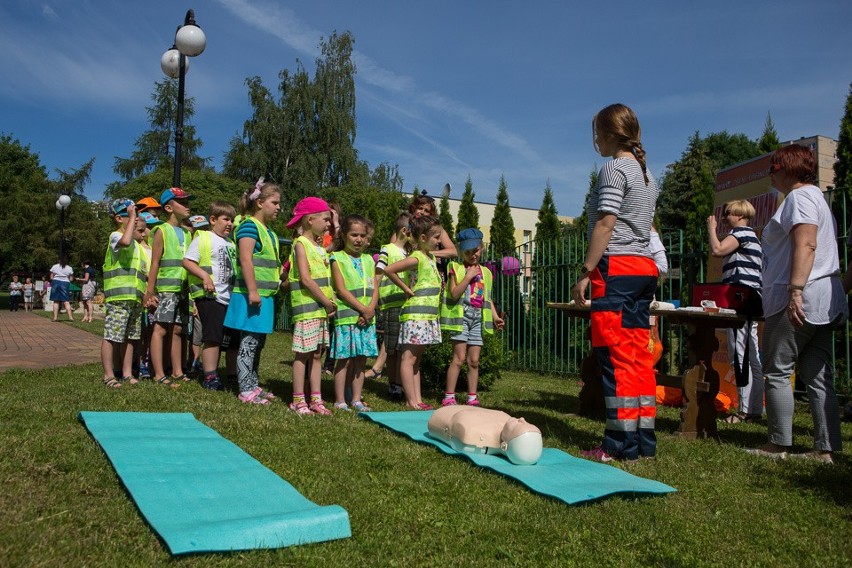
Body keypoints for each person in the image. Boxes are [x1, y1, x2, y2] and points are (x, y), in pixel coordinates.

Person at [570, 103, 660, 462]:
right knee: (639, 357)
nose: (595, 141)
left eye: (596, 133)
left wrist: (586, 272)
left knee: (614, 358)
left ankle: (617, 446)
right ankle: (643, 442)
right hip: (644, 269)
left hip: (617, 271)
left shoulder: (614, 168)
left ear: (608, 135)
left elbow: (606, 223)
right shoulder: (647, 174)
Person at [748, 144, 846, 463]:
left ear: (788, 169)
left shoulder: (799, 197)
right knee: (818, 374)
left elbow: (806, 243)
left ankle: (778, 443)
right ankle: (825, 448)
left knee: (778, 369)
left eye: (773, 169)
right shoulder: (817, 198)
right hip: (825, 299)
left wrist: (794, 290)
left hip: (799, 297)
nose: (770, 176)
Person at [223, 179, 284, 405]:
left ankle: (252, 382)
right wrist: (253, 291)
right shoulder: (249, 226)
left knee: (258, 342)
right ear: (259, 202)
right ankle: (245, 389)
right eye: (274, 202)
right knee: (248, 342)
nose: (278, 207)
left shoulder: (269, 232)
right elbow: (245, 259)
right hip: (252, 296)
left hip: (264, 297)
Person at [707, 200, 764, 423]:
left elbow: (717, 250)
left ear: (739, 215)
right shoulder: (753, 238)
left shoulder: (741, 234)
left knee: (739, 354)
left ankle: (744, 411)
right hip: (753, 300)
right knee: (752, 355)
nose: (723, 218)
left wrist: (711, 230)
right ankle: (754, 409)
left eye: (727, 213)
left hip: (742, 301)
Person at [382, 215, 444, 410]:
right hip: (415, 316)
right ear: (423, 238)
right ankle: (411, 400)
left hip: (427, 317)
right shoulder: (417, 257)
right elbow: (389, 270)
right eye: (436, 237)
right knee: (408, 358)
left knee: (416, 360)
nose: (439, 241)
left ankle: (417, 399)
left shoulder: (431, 257)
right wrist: (405, 289)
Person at [440, 228, 504, 407]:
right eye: (467, 251)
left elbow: (487, 299)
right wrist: (468, 277)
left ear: (481, 247)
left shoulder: (486, 273)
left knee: (474, 361)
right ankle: (449, 395)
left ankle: (472, 397)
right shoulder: (456, 268)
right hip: (461, 317)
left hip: (477, 319)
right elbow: (454, 293)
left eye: (475, 250)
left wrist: (495, 317)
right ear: (461, 251)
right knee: (459, 358)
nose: (472, 254)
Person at [287, 196, 336, 415]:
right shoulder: (301, 244)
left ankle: (316, 398)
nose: (328, 225)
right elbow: (306, 279)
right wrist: (326, 301)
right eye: (325, 220)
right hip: (308, 309)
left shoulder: (319, 247)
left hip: (319, 310)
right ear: (309, 220)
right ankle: (298, 399)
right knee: (302, 354)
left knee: (317, 353)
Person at [183, 203, 239, 391]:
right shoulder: (204, 237)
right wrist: (204, 276)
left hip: (229, 297)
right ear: (213, 220)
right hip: (210, 296)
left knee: (233, 340)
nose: (230, 223)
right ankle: (210, 376)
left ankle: (232, 376)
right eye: (226, 219)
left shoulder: (231, 243)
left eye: (232, 220)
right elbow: (188, 261)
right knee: (213, 338)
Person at [144, 187, 193, 387]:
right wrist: (150, 291)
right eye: (183, 202)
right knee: (161, 329)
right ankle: (158, 373)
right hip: (166, 290)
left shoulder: (188, 234)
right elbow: (154, 263)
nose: (187, 206)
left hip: (182, 290)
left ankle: (177, 371)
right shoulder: (161, 231)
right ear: (169, 207)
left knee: (178, 330)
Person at [329, 215, 380, 411]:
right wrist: (363, 309)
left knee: (361, 360)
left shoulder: (368, 259)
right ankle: (340, 399)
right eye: (353, 235)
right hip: (348, 317)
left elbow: (375, 288)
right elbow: (341, 289)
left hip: (366, 319)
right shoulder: (337, 258)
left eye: (362, 235)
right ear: (344, 235)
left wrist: (370, 311)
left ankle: (356, 399)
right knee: (343, 359)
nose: (358, 239)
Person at [100, 199, 147, 388]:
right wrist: (133, 218)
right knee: (112, 336)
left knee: (130, 337)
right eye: (130, 213)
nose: (135, 218)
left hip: (134, 297)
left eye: (136, 213)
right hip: (118, 297)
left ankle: (127, 373)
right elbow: (125, 241)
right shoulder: (115, 236)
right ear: (119, 218)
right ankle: (108, 374)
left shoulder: (138, 245)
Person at [374, 212, 412, 400]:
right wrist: (373, 298)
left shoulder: (408, 253)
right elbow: (379, 273)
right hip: (391, 303)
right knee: (391, 347)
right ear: (405, 231)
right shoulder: (387, 249)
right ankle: (393, 386)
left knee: (401, 346)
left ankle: (398, 383)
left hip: (405, 304)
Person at [427, 405, 543, 465]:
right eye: (525, 422)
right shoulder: (506, 419)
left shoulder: (472, 432)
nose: (521, 418)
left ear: (504, 445)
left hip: (442, 415)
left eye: (518, 425)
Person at [186, 214, 211, 377]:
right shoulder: (191, 244)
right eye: (198, 228)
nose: (202, 231)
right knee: (194, 334)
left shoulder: (205, 242)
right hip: (195, 296)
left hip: (203, 295)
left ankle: (196, 361)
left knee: (201, 333)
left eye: (204, 228)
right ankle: (193, 362)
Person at [137, 211, 160, 379]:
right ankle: (138, 363)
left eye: (151, 228)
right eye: (145, 228)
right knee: (140, 332)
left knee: (151, 331)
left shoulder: (153, 249)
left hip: (154, 295)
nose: (147, 232)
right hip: (141, 295)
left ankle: (148, 362)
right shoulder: (137, 248)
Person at [49, 255, 75, 322]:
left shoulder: (54, 266)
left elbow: (51, 277)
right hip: (65, 283)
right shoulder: (69, 268)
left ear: (59, 260)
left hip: (56, 283)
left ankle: (55, 318)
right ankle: (70, 317)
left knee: (56, 301)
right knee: (66, 301)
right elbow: (71, 278)